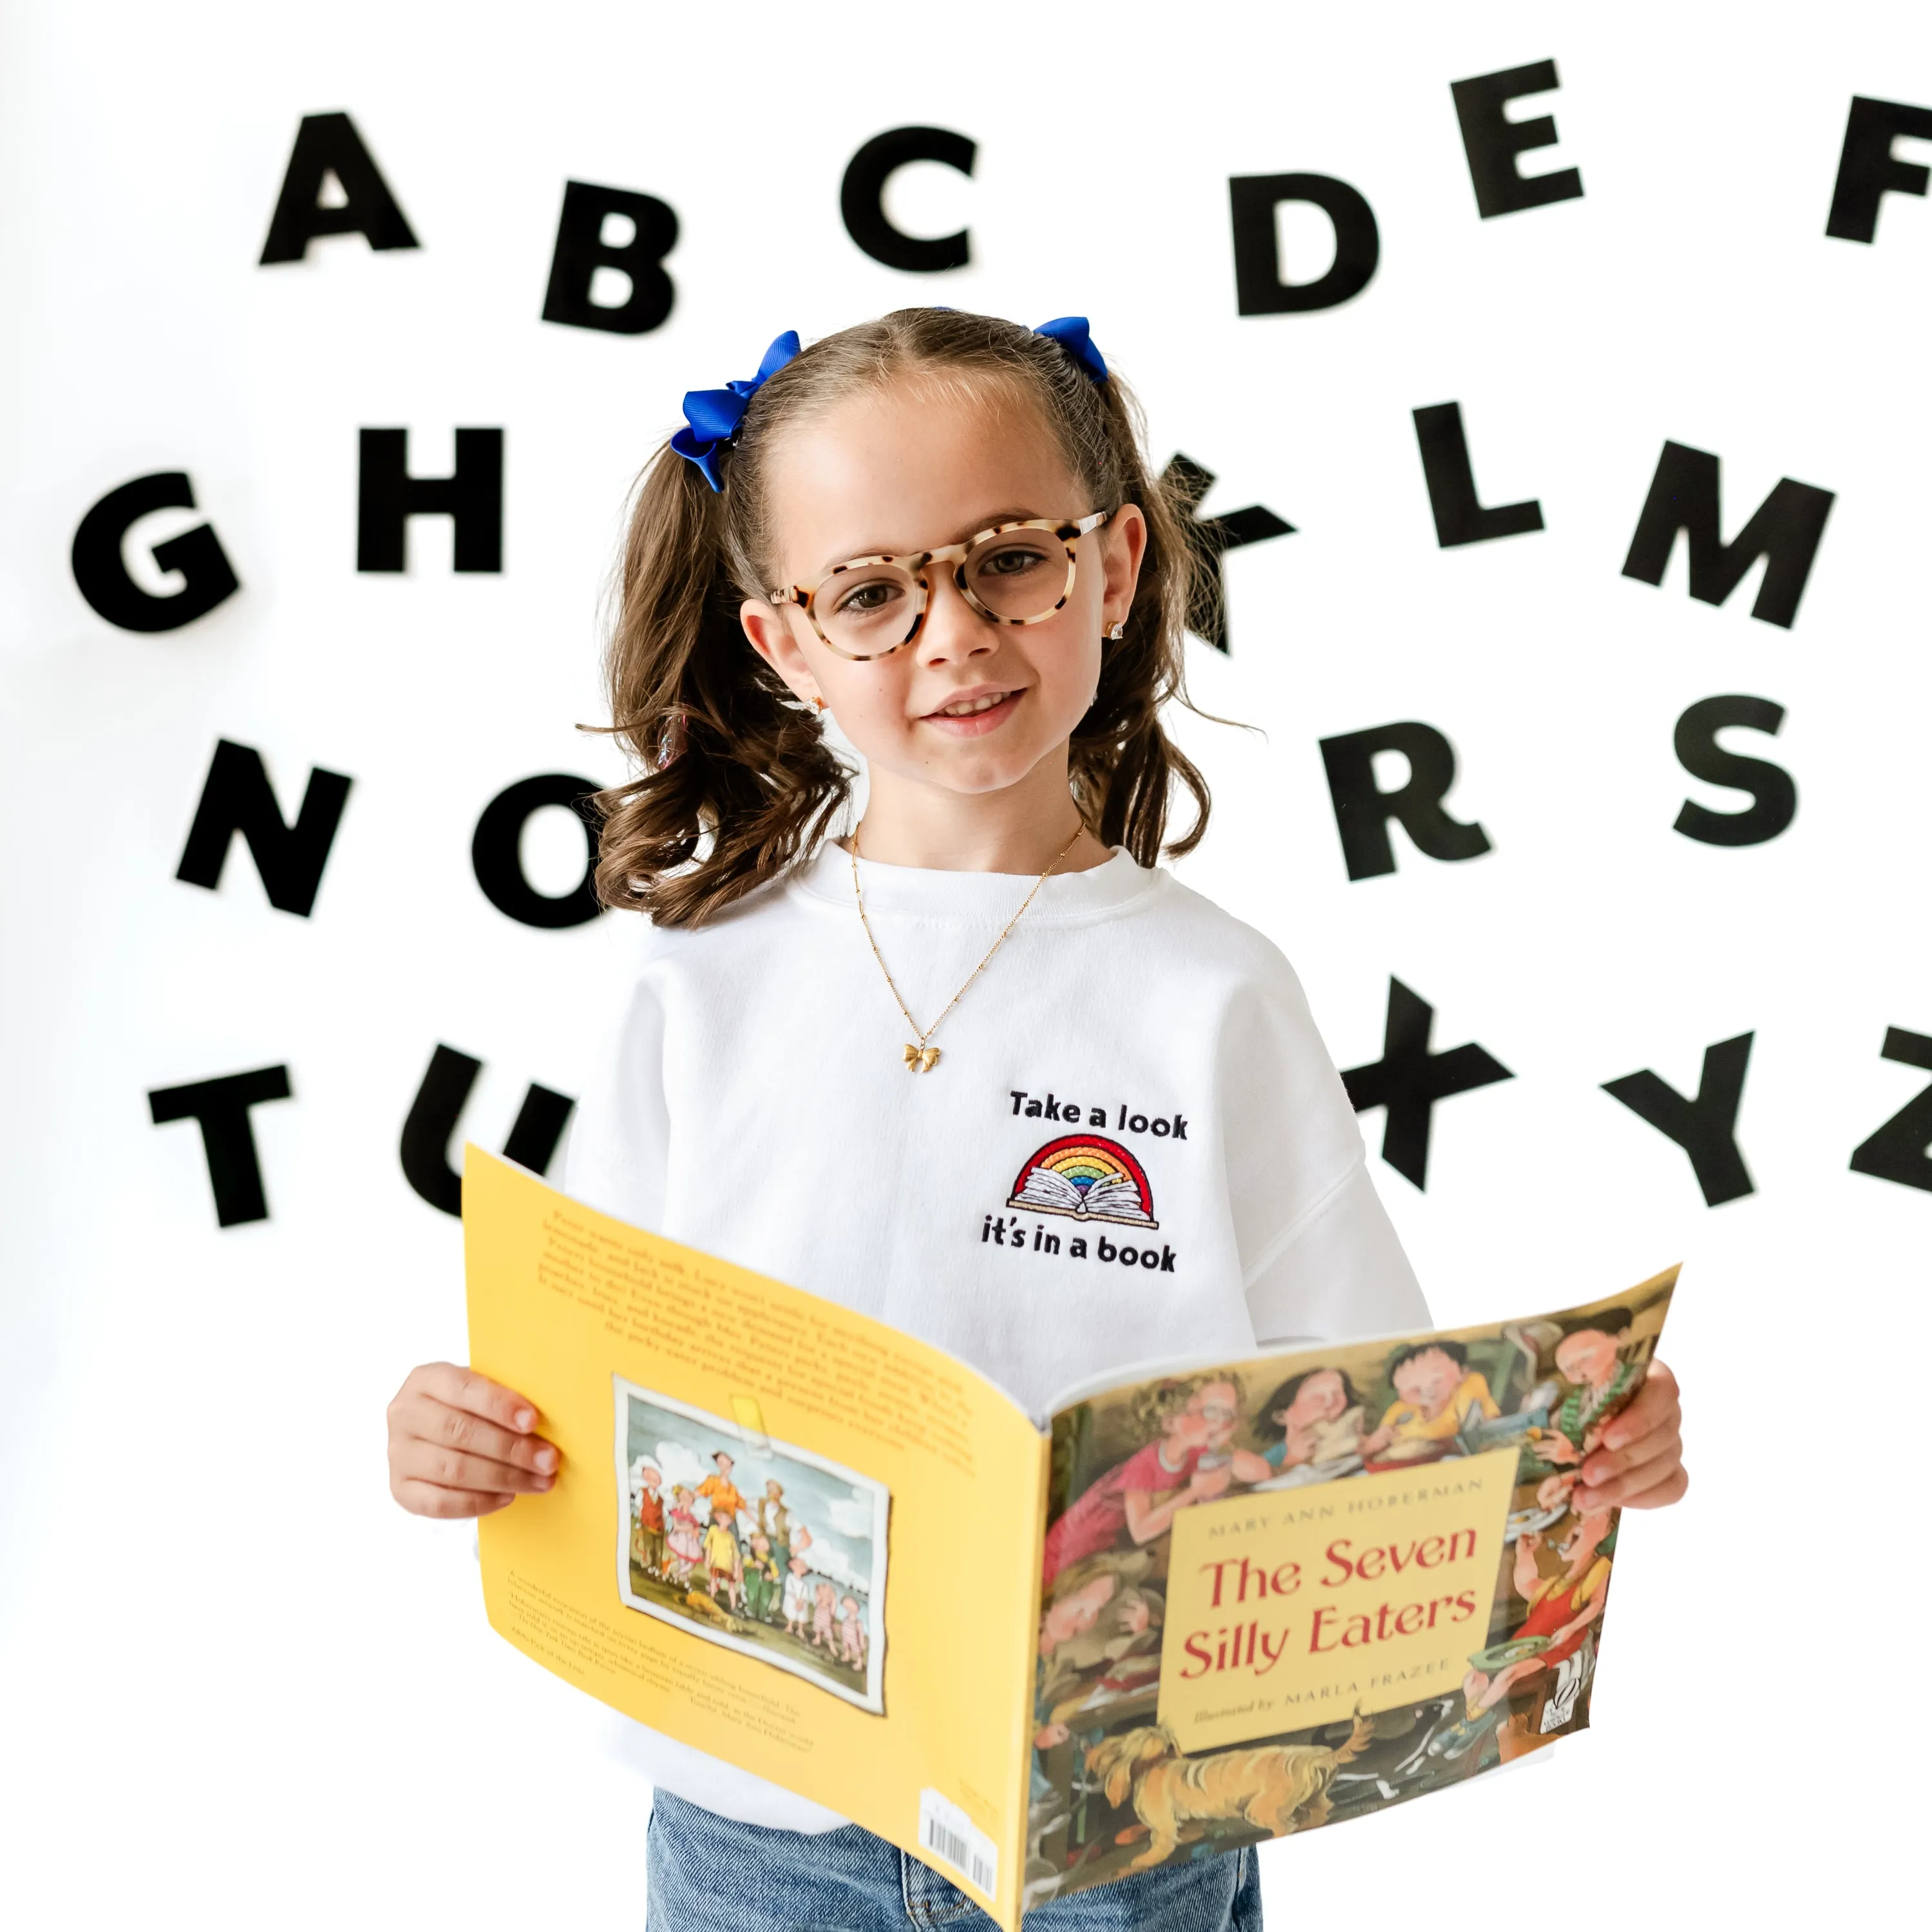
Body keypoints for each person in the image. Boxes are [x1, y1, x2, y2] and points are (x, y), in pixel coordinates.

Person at [384, 308, 1690, 1929]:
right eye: (869, 590)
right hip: (753, 1837)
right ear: (782, 640)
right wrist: (459, 1433)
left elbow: (1374, 1404)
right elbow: (563, 1373)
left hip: (1121, 1843)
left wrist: (1573, 1450)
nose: (953, 633)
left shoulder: (1214, 995)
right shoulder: (694, 981)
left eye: (1008, 557)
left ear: (1117, 564)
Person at [1358, 1340, 1500, 1467]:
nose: (1427, 1391)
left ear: (1463, 1373)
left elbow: (1464, 1432)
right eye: (1415, 1389)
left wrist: (1410, 1436)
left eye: (1437, 1381)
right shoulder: (1401, 1409)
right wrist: (1374, 1443)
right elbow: (1374, 1443)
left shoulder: (1468, 1387)